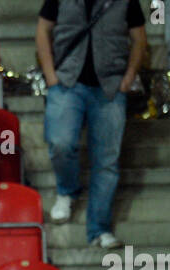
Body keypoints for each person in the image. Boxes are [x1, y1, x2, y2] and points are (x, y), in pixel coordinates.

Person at [35, 0, 146, 248]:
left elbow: (139, 38)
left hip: (109, 87)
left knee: (106, 161)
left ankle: (99, 229)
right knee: (59, 142)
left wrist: (128, 78)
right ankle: (67, 190)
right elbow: (43, 29)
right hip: (66, 82)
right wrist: (50, 75)